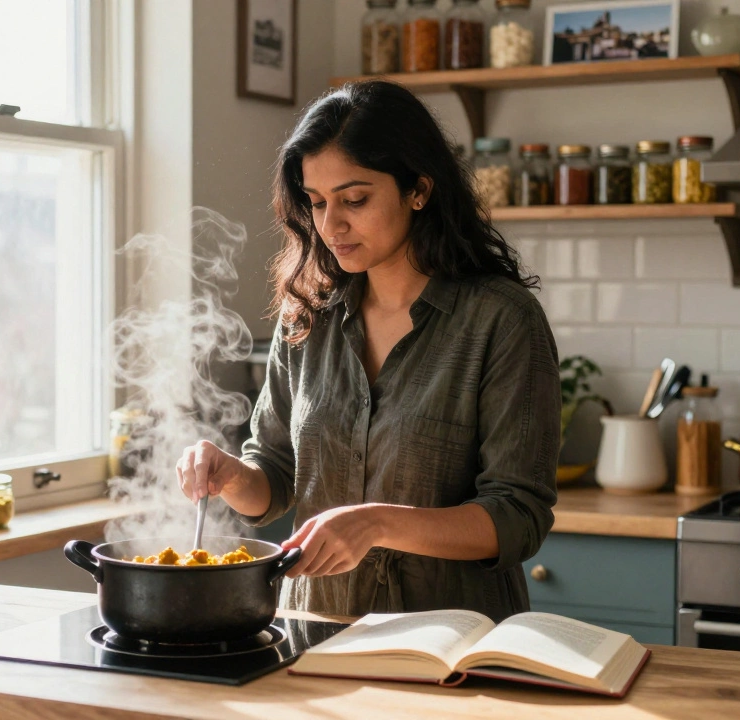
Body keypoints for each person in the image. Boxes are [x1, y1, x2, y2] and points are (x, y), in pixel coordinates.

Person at [176, 81, 560, 621]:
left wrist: (378, 522)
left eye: (355, 200)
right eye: (316, 203)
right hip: (314, 631)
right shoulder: (306, 317)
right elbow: (277, 478)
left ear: (418, 190)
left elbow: (519, 516)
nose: (331, 225)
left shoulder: (502, 319)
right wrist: (234, 475)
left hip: (450, 643)